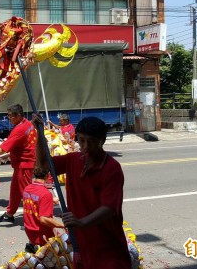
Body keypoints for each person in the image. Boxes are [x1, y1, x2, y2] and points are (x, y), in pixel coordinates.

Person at [31, 115, 131, 269]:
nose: (85, 146)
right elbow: (43, 165)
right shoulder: (74, 160)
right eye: (82, 140)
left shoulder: (112, 168)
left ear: (102, 141)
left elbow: (109, 208)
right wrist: (39, 134)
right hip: (81, 245)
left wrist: (81, 222)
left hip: (108, 247)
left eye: (91, 142)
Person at [0, 104, 37, 223]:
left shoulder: (19, 129)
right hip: (22, 163)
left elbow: (5, 147)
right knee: (14, 190)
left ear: (18, 115)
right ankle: (10, 213)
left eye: (10, 116)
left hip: (24, 164)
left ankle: (33, 218)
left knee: (26, 193)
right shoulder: (27, 123)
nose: (9, 118)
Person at [22, 164, 65, 253]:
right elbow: (44, 219)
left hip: (29, 230)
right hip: (42, 233)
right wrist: (62, 225)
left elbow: (34, 199)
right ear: (47, 176)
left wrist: (51, 200)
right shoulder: (45, 194)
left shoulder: (27, 188)